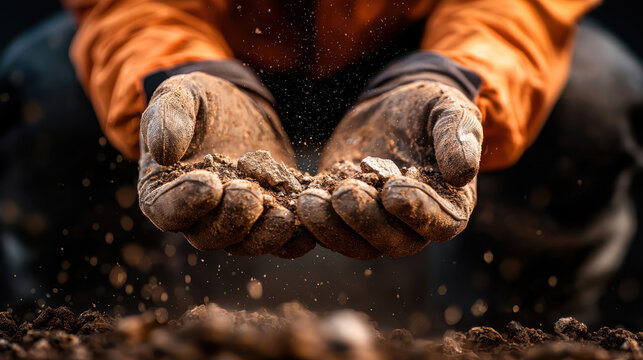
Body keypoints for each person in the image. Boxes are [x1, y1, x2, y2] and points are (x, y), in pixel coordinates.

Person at [1, 0, 642, 328]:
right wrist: (177, 70)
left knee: (591, 94)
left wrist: (456, 73)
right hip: (213, 51)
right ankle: (97, 328)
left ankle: (518, 334)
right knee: (53, 89)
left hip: (424, 50)